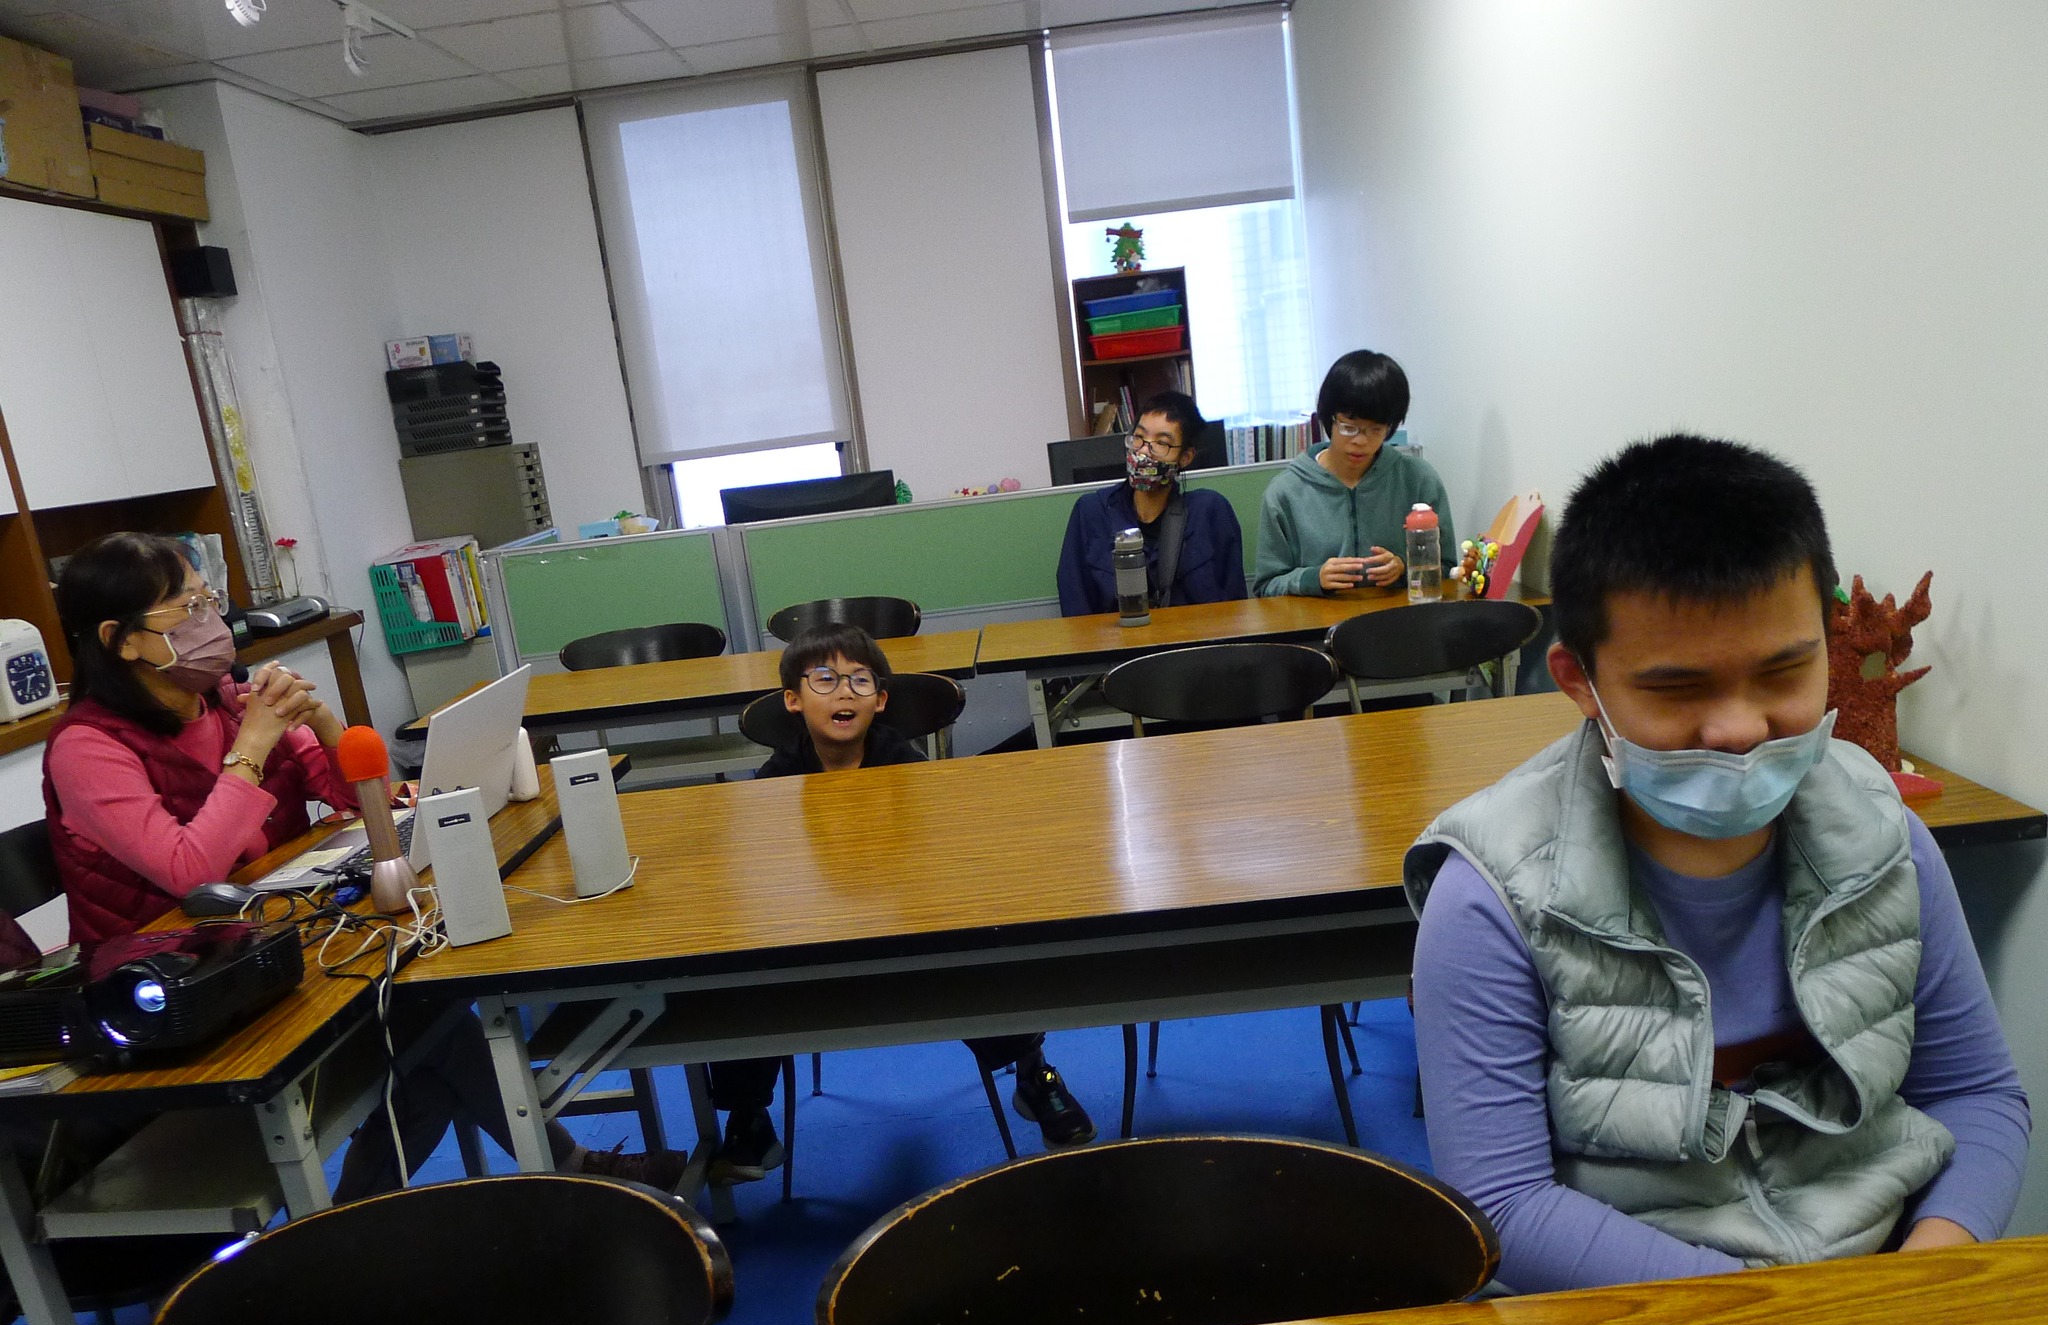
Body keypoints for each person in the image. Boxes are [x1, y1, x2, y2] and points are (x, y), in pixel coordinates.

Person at [1404, 434, 2029, 1293]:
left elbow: (1978, 1094)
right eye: (1677, 688)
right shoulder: (1492, 899)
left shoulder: (1886, 835)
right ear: (1580, 681)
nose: (1740, 729)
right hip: (1639, 1314)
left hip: (1882, 1292)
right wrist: (1775, 1320)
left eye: (1785, 672)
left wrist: (1920, 1281)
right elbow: (1504, 1202)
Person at [39, 533, 680, 1199]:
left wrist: (321, 722)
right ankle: (565, 1168)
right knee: (433, 1032)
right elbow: (188, 871)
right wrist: (252, 747)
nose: (211, 623)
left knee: (431, 1031)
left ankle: (369, 1219)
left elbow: (355, 798)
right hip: (166, 1003)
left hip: (271, 954)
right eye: (187, 609)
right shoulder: (87, 748)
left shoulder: (225, 703)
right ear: (121, 640)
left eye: (209, 601)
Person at [697, 622, 1097, 1181]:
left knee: (976, 943)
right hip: (813, 939)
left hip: (907, 927)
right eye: (824, 680)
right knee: (738, 964)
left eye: (860, 681)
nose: (844, 692)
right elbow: (762, 872)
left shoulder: (905, 766)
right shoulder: (775, 780)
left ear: (880, 700)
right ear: (793, 700)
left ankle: (1033, 1073)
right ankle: (749, 1118)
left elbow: (946, 857)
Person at [1253, 350, 1454, 597]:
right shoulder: (1285, 492)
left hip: (1398, 616)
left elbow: (1447, 567)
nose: (1360, 441)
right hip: (1319, 620)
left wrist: (1404, 568)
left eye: (1376, 429)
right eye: (1349, 428)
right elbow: (1266, 586)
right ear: (1329, 419)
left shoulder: (1418, 479)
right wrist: (1312, 579)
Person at [1056, 391, 1245, 616]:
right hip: (1116, 638)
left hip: (1195, 637)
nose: (1144, 451)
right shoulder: (1091, 512)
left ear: (1185, 457)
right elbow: (1075, 609)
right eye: (1139, 437)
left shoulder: (1210, 512)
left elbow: (1233, 609)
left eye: (1161, 443)